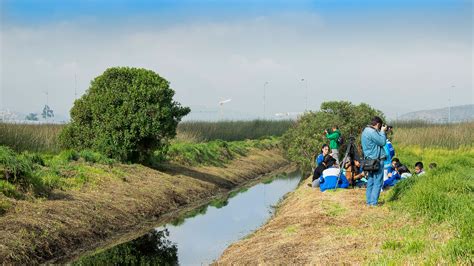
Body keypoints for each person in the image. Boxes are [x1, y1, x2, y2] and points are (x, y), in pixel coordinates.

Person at [361, 116, 387, 206]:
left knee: (370, 181)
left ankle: (369, 202)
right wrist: (383, 132)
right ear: (378, 124)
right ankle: (373, 203)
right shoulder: (372, 132)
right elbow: (382, 142)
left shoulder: (365, 131)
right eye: (380, 126)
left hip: (369, 161)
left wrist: (379, 132)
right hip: (377, 161)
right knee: (378, 182)